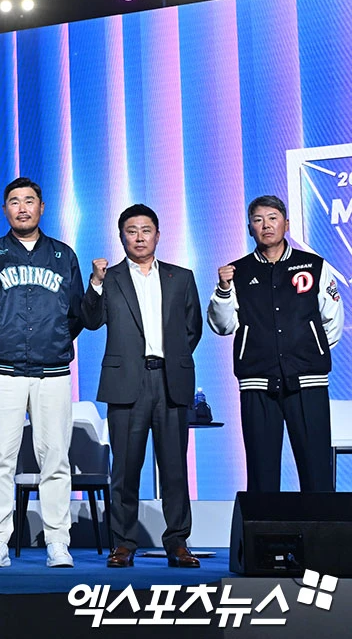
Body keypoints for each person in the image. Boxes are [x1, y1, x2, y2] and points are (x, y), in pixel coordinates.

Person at [0, 176, 84, 569]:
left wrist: (55, 338)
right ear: (5, 210)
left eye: (29, 200)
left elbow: (76, 311)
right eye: (14, 201)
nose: (22, 208)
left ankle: (58, 542)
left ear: (42, 207)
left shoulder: (63, 254)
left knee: (55, 459)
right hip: (4, 370)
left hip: (52, 371)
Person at [81, 204, 202, 569]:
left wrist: (172, 359)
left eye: (145, 230)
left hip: (170, 381)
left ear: (158, 235)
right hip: (125, 383)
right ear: (122, 237)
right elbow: (90, 320)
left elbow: (192, 329)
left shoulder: (181, 277)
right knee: (125, 469)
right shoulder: (111, 278)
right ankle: (123, 543)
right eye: (131, 231)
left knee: (174, 469)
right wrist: (95, 283)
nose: (139, 237)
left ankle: (177, 542)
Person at [208, 195, 343, 493]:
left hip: (308, 381)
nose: (266, 225)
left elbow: (332, 320)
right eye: (258, 220)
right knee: (261, 472)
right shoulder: (236, 272)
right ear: (250, 228)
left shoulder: (314, 266)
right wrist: (224, 289)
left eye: (272, 218)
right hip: (257, 381)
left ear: (286, 224)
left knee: (316, 469)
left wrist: (311, 350)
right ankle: (264, 526)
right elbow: (222, 326)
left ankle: (321, 525)